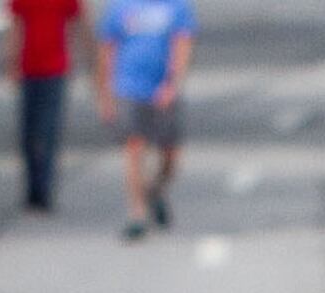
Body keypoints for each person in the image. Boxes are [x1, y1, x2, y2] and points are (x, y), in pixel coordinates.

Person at [92, 0, 195, 242]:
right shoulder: (119, 6)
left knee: (170, 157)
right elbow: (107, 50)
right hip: (128, 89)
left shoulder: (176, 6)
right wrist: (105, 96)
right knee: (134, 148)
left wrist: (172, 83)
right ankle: (137, 214)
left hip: (163, 90)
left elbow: (182, 45)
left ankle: (154, 190)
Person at [14, 0, 82, 210]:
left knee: (49, 131)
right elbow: (16, 26)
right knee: (28, 133)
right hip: (29, 68)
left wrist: (76, 58)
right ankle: (32, 186)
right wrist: (13, 61)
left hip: (55, 69)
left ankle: (44, 188)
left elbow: (75, 25)